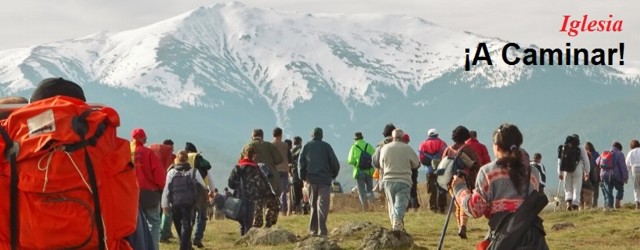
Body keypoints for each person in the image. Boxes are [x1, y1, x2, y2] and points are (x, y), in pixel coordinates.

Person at [452, 123, 548, 249]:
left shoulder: (488, 172)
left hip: (505, 237)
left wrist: (459, 188)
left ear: (496, 147)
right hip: (533, 238)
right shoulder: (532, 172)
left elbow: (475, 210)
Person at [298, 127, 340, 237]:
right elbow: (335, 163)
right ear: (321, 136)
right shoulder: (327, 146)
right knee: (323, 206)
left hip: (311, 180)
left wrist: (302, 177)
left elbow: (301, 163)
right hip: (324, 180)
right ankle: (322, 232)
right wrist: (333, 175)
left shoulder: (306, 146)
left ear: (312, 135)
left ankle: (313, 231)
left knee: (313, 205)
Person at [161, 150, 207, 250]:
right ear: (187, 159)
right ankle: (185, 247)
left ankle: (184, 246)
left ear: (177, 159)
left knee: (178, 226)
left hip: (175, 203)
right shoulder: (194, 171)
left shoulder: (172, 172)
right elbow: (203, 186)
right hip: (189, 203)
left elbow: (166, 189)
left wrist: (164, 204)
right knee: (186, 226)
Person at [131, 128, 166, 250]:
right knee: (154, 223)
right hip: (150, 194)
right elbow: (158, 173)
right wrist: (162, 188)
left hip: (132, 194)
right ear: (142, 138)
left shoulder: (126, 152)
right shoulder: (148, 153)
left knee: (136, 225)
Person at [379, 129, 420, 230]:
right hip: (404, 180)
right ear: (403, 137)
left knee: (393, 205)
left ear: (392, 137)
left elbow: (381, 164)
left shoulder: (385, 148)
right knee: (401, 204)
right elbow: (416, 163)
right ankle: (397, 224)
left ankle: (396, 224)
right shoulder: (407, 148)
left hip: (388, 180)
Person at [241, 129, 283, 228]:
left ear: (252, 137)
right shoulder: (269, 145)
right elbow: (279, 159)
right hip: (270, 178)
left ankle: (257, 223)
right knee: (272, 200)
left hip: (253, 180)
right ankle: (269, 219)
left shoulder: (246, 147)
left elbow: (241, 163)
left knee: (257, 202)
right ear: (262, 136)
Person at [228, 146, 273, 236]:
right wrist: (268, 194)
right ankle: (247, 237)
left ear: (244, 155)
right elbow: (263, 183)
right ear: (254, 156)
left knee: (241, 219)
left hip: (240, 197)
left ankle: (242, 235)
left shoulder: (238, 168)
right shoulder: (256, 168)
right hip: (253, 197)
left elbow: (230, 184)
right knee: (249, 219)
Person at [445, 125, 480, 239]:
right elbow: (476, 165)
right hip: (465, 179)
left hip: (450, 181)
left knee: (457, 204)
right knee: (464, 202)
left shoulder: (447, 150)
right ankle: (463, 226)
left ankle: (460, 226)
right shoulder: (468, 149)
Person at [184, 142, 215, 248]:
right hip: (200, 191)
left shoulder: (181, 158)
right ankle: (197, 238)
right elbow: (209, 175)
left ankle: (187, 239)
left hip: (186, 191)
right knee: (202, 216)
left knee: (189, 217)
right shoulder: (199, 159)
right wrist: (212, 190)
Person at [151, 139, 177, 243]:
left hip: (157, 187)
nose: (172, 150)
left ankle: (166, 232)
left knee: (163, 212)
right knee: (165, 211)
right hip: (164, 187)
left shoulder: (155, 156)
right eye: (171, 148)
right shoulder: (169, 158)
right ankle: (163, 235)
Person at [418, 128, 448, 214]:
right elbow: (446, 156)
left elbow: (421, 158)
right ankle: (442, 207)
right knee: (442, 188)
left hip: (429, 170)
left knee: (432, 189)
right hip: (441, 169)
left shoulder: (423, 144)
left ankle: (433, 207)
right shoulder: (442, 143)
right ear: (437, 134)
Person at [557, 134, 590, 211]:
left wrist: (560, 173)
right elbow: (586, 160)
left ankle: (568, 202)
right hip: (577, 168)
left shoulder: (564, 147)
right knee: (577, 187)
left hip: (566, 170)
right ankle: (575, 205)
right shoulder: (580, 147)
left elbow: (560, 161)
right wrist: (587, 172)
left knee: (567, 187)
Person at [347, 132, 376, 211]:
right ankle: (372, 205)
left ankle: (365, 207)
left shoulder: (354, 147)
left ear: (355, 139)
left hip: (359, 172)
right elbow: (375, 156)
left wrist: (356, 163)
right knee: (370, 189)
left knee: (362, 190)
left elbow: (350, 160)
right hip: (369, 171)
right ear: (362, 138)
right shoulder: (368, 145)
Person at [597, 142, 629, 210]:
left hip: (604, 176)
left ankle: (609, 207)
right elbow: (622, 167)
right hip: (616, 175)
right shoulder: (619, 154)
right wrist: (625, 177)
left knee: (608, 191)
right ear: (619, 149)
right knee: (620, 189)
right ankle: (617, 202)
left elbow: (597, 163)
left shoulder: (604, 153)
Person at [272, 127, 292, 216]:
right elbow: (290, 158)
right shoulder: (285, 145)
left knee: (274, 190)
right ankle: (283, 210)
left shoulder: (271, 145)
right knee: (283, 191)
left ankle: (274, 209)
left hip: (274, 170)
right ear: (281, 134)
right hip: (284, 170)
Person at [402, 133, 421, 212]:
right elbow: (417, 163)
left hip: (403, 173)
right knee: (413, 191)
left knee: (404, 191)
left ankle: (406, 207)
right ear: (408, 140)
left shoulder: (399, 150)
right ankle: (415, 208)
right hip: (413, 172)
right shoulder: (409, 149)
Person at [290, 136, 305, 214]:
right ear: (300, 142)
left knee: (295, 194)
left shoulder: (291, 151)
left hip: (294, 175)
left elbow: (289, 163)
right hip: (302, 174)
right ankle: (304, 208)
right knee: (303, 192)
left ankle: (296, 209)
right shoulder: (303, 149)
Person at [585, 142, 601, 207]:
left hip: (587, 175)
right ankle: (595, 204)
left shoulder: (585, 155)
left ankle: (587, 205)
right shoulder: (597, 154)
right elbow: (599, 165)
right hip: (596, 175)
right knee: (596, 191)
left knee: (587, 190)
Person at [627, 140, 640, 209]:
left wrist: (629, 172)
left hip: (635, 169)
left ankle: (637, 202)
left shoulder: (631, 152)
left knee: (636, 187)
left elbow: (627, 164)